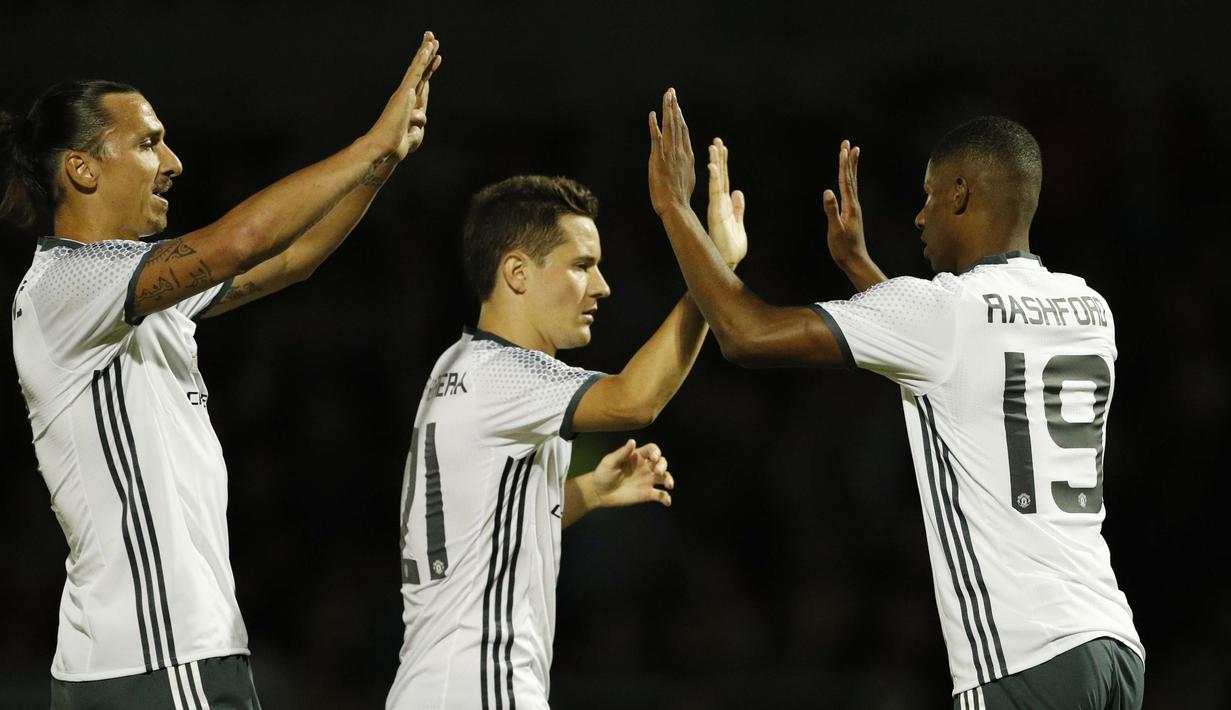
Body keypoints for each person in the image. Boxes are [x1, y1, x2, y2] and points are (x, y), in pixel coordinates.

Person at [646, 89, 1144, 709]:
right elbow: (957, 368)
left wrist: (674, 208)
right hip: (1113, 644)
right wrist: (861, 268)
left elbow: (746, 335)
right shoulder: (1090, 307)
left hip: (1023, 651)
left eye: (929, 196)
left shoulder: (946, 310)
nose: (918, 217)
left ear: (960, 194)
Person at [3, 32, 442, 709]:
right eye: (148, 143)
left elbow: (292, 259)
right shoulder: (71, 282)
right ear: (83, 170)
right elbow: (240, 241)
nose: (172, 163)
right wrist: (366, 146)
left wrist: (380, 165)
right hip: (161, 653)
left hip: (134, 659)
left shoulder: (127, 290)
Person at [385, 172, 747, 709]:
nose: (602, 285)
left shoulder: (455, 366)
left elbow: (480, 533)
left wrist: (590, 492)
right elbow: (636, 400)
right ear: (517, 273)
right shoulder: (505, 375)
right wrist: (712, 268)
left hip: (430, 686)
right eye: (581, 266)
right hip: (484, 687)